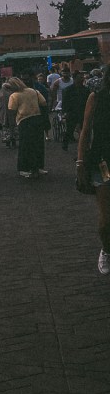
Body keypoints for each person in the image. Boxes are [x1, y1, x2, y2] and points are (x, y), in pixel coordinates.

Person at [76, 70, 110, 274]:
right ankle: (106, 249)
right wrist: (80, 161)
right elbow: (85, 130)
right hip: (102, 161)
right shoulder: (96, 98)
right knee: (107, 217)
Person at [6, 77, 47, 178]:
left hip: (24, 121)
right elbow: (44, 102)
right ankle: (38, 166)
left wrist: (12, 125)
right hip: (37, 118)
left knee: (25, 146)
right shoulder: (33, 91)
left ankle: (23, 168)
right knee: (38, 144)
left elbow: (11, 110)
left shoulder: (14, 95)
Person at [62, 70, 88, 150]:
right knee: (70, 129)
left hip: (82, 112)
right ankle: (65, 144)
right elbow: (65, 102)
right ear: (74, 78)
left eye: (82, 77)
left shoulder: (86, 90)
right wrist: (65, 112)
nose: (82, 79)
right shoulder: (68, 90)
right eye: (79, 77)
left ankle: (82, 146)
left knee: (83, 130)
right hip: (71, 112)